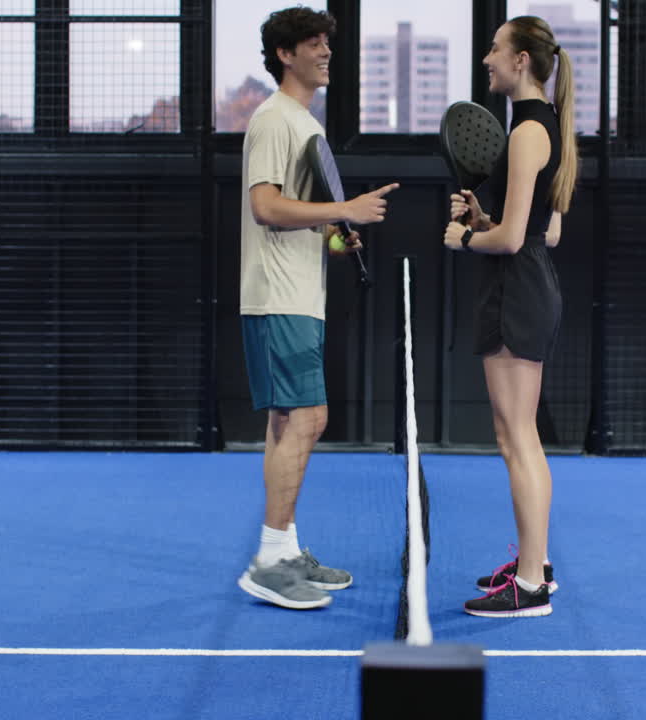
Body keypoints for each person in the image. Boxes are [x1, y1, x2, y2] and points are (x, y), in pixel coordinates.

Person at [237, 6, 399, 610]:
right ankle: (269, 560)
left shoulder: (303, 122)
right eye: (313, 43)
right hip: (278, 297)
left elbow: (295, 216)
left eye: (327, 42)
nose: (326, 52)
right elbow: (265, 207)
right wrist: (345, 209)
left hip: (299, 295)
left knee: (289, 422)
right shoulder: (274, 119)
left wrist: (333, 233)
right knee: (307, 419)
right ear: (285, 54)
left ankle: (284, 548)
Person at [443, 15, 577, 618]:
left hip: (516, 291)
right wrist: (483, 218)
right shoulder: (545, 125)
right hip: (527, 286)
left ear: (521, 60)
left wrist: (465, 238)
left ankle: (529, 585)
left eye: (495, 49)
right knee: (519, 435)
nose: (487, 59)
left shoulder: (526, 132)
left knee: (517, 438)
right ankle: (536, 566)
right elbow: (543, 231)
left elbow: (514, 239)